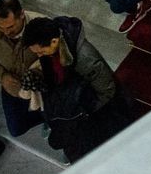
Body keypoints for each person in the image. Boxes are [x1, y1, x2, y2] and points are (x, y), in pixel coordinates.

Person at [22, 15, 128, 164]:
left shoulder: (85, 58)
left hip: (93, 113)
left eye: (40, 51)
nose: (39, 56)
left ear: (54, 41)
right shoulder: (52, 52)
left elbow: (107, 91)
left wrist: (81, 113)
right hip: (71, 105)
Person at [0, 0, 44, 138]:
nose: (6, 32)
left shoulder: (41, 24)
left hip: (40, 82)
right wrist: (2, 76)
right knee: (16, 129)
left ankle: (48, 115)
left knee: (55, 113)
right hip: (12, 83)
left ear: (22, 15)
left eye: (10, 27)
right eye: (0, 27)